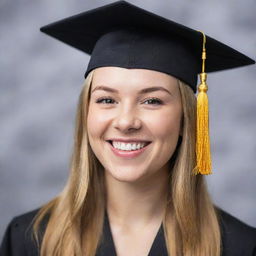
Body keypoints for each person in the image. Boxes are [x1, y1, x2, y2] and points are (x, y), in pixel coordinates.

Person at [0, 1, 255, 256]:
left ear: (186, 118)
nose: (125, 122)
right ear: (86, 113)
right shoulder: (29, 239)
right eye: (107, 100)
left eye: (152, 101)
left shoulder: (239, 248)